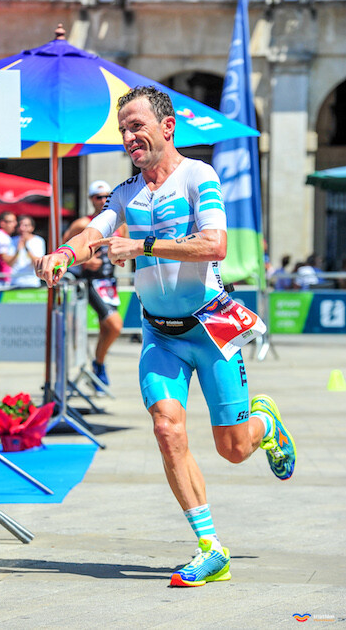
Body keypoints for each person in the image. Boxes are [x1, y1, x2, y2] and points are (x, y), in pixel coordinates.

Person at [35, 86, 297, 588]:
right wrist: (63, 256)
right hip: (160, 336)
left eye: (137, 126)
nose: (129, 137)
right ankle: (209, 548)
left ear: (167, 126)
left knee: (234, 450)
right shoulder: (126, 194)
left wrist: (143, 244)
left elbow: (214, 243)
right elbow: (94, 232)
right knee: (166, 429)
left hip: (210, 330)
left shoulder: (200, 176)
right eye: (123, 130)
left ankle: (265, 424)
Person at [62, 180, 125, 393]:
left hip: (109, 280)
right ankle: (98, 364)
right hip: (90, 281)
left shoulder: (120, 223)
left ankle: (99, 365)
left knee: (106, 328)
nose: (104, 200)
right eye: (99, 197)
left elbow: (123, 247)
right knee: (115, 325)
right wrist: (86, 262)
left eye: (108, 196)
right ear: (91, 199)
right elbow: (65, 248)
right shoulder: (82, 223)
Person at [10, 215, 46, 288]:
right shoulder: (12, 240)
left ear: (32, 228)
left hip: (32, 282)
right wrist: (18, 250)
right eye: (20, 225)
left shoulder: (38, 241)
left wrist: (26, 248)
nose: (22, 228)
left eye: (26, 225)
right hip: (14, 282)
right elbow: (9, 263)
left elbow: (38, 262)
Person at [0, 211, 17, 287]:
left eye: (15, 221)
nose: (14, 224)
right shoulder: (0, 236)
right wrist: (19, 251)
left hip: (2, 278)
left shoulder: (4, 236)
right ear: (2, 223)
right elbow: (6, 260)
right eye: (11, 222)